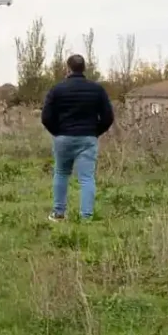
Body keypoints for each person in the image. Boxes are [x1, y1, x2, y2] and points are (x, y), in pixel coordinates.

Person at [40, 54, 114, 221]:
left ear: (68, 69)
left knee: (61, 173)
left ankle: (59, 213)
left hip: (63, 138)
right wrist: (95, 132)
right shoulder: (97, 90)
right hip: (88, 138)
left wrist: (57, 132)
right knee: (87, 177)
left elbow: (45, 117)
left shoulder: (57, 89)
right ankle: (86, 217)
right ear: (84, 69)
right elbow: (108, 117)